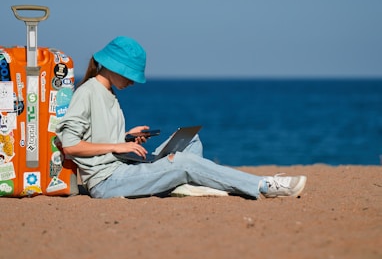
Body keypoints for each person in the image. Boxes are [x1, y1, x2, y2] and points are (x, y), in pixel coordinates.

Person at [56, 36, 307, 199]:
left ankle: (179, 185)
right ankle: (265, 186)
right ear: (112, 67)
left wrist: (126, 137)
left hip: (123, 167)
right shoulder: (88, 92)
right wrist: (117, 145)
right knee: (184, 163)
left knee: (190, 141)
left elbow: (96, 136)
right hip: (107, 181)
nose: (132, 81)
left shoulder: (108, 92)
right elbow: (71, 145)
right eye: (129, 75)